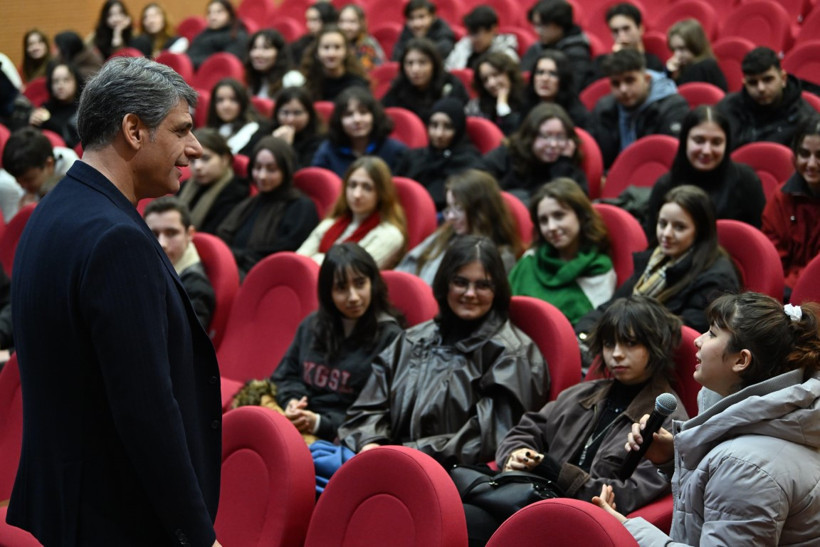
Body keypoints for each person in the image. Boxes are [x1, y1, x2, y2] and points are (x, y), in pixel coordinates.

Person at [7, 56, 222, 546]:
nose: (193, 147)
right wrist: (198, 535)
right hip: (117, 519)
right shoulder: (116, 239)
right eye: (181, 129)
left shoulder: (51, 211)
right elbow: (145, 409)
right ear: (134, 130)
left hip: (69, 506)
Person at [595, 292, 820, 546]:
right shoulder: (760, 433)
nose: (697, 340)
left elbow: (737, 477)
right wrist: (671, 459)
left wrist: (627, 531)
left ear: (741, 360)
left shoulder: (745, 468)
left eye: (712, 334)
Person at [464, 295, 688, 545]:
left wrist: (555, 471)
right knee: (460, 516)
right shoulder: (581, 393)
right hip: (529, 500)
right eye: (609, 344)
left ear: (656, 346)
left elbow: (627, 495)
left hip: (582, 524)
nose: (616, 354)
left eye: (631, 343)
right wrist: (516, 455)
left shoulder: (665, 421)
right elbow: (525, 430)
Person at [339, 235, 548, 465]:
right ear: (445, 283)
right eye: (460, 282)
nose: (470, 293)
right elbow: (367, 408)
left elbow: (487, 438)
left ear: (496, 290)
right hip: (384, 460)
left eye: (482, 285)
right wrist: (370, 443)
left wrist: (402, 454)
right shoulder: (412, 339)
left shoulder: (511, 356)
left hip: (448, 473)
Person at [270, 242, 404, 441]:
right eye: (341, 288)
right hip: (298, 423)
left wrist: (319, 423)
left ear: (372, 283)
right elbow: (285, 376)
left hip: (343, 439)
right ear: (328, 292)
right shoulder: (312, 325)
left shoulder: (390, 338)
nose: (353, 297)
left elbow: (381, 414)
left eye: (360, 284)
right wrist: (293, 402)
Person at [575, 185, 740, 337]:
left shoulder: (716, 280)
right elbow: (612, 306)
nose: (666, 233)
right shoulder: (657, 259)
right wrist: (583, 333)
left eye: (679, 227)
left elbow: (683, 336)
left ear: (700, 233)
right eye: (662, 224)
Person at [509, 178, 615, 325]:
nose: (551, 227)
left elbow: (593, 326)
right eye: (543, 220)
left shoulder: (598, 270)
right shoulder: (531, 259)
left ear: (580, 216)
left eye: (559, 215)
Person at [646, 106, 765, 236]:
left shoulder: (746, 181)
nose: (707, 150)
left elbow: (759, 240)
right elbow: (653, 240)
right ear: (685, 141)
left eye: (716, 142)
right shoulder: (665, 185)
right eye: (699, 141)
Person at [396, 169, 521, 283]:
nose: (450, 217)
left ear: (481, 212)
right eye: (449, 208)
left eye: (459, 209)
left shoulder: (500, 256)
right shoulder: (446, 233)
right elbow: (407, 266)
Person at [217, 136, 318, 276]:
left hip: (268, 275)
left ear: (286, 171)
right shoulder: (250, 203)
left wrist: (237, 256)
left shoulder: (301, 207)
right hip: (231, 268)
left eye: (271, 169)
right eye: (257, 167)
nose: (262, 176)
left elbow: (284, 254)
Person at [298, 155, 407, 268]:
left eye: (367, 187)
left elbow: (351, 272)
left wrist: (316, 258)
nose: (356, 194)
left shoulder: (389, 235)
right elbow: (299, 261)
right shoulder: (330, 223)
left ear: (381, 193)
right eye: (352, 185)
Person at [591, 48, 689, 168]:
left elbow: (672, 157)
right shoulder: (604, 109)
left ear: (646, 79)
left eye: (630, 80)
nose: (623, 90)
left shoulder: (673, 106)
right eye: (616, 83)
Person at [481, 103, 589, 202]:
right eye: (545, 136)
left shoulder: (569, 167)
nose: (553, 144)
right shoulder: (510, 153)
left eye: (560, 137)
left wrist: (563, 165)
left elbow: (574, 203)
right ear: (530, 137)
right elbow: (479, 180)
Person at [716, 46, 815, 150]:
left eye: (768, 80)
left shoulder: (804, 118)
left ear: (783, 79)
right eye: (753, 83)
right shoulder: (726, 108)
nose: (761, 89)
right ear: (745, 83)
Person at [762, 115, 820, 290]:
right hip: (783, 290)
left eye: (819, 155)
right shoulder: (781, 197)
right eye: (804, 154)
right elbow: (772, 255)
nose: (811, 164)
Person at [393, 97, 481, 210]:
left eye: (448, 127)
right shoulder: (414, 156)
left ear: (459, 130)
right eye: (434, 125)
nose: (439, 134)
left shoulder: (469, 163)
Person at [144, 196, 215, 329]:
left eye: (171, 233)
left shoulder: (196, 289)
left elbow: (183, 339)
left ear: (190, 234)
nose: (162, 243)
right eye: (153, 234)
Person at [312, 86, 407, 177]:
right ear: (339, 121)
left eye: (363, 112)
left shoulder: (395, 151)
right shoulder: (327, 152)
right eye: (348, 114)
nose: (357, 120)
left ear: (374, 116)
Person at [381, 37, 470, 123]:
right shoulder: (399, 87)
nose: (415, 69)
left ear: (434, 64)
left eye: (422, 62)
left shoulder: (451, 85)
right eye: (409, 63)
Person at [177, 128, 248, 234]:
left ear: (225, 159)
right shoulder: (185, 185)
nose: (197, 166)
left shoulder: (237, 192)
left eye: (205, 158)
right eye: (192, 160)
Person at [521, 0, 594, 92]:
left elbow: (573, 89)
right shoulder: (537, 47)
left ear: (560, 24)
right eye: (535, 25)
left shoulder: (577, 52)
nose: (537, 31)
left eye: (543, 25)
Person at [1, 126, 79, 211]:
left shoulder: (71, 169)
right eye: (18, 181)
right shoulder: (27, 175)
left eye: (28, 180)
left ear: (49, 164)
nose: (23, 187)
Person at [523, 50, 591, 129]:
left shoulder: (578, 116)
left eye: (553, 74)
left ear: (563, 80)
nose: (545, 78)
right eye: (540, 72)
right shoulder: (523, 107)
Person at [300, 25, 369, 102]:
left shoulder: (357, 85)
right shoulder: (308, 83)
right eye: (326, 47)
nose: (331, 54)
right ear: (316, 52)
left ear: (346, 52)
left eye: (337, 47)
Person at [465, 51, 527, 135]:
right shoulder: (476, 107)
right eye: (485, 79)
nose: (491, 83)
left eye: (496, 75)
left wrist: (502, 106)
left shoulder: (527, 99)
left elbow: (519, 134)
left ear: (509, 73)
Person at [204, 78, 268, 156]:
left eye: (233, 99)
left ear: (243, 102)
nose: (226, 106)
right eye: (220, 100)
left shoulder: (256, 131)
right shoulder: (209, 131)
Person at [445, 5, 519, 71]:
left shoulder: (506, 54)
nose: (472, 39)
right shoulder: (463, 47)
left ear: (493, 30)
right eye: (470, 33)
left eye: (476, 33)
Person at [28, 61, 83, 149]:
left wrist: (48, 122)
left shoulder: (83, 108)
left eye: (66, 80)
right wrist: (33, 122)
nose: (60, 86)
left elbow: (71, 138)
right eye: (55, 81)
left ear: (76, 81)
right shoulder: (46, 107)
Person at [597, 2, 663, 73]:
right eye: (615, 31)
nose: (621, 35)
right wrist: (616, 58)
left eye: (626, 29)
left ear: (640, 29)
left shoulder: (652, 62)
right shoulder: (601, 62)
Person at [271, 86, 325, 169]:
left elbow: (302, 173)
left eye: (297, 113)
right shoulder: (268, 131)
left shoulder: (318, 142)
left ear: (309, 114)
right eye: (285, 112)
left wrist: (286, 147)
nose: (290, 119)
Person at [665, 19, 727, 91]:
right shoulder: (682, 67)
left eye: (682, 49)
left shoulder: (704, 67)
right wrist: (669, 72)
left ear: (695, 45)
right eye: (673, 49)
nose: (677, 55)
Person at [187, 0, 249, 69]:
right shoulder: (204, 33)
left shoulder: (237, 35)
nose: (212, 17)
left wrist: (189, 62)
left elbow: (226, 63)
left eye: (219, 12)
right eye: (209, 13)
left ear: (230, 14)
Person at [244, 29, 301, 100]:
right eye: (254, 48)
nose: (257, 54)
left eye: (266, 48)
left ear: (279, 53)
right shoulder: (256, 79)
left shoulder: (292, 79)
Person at [392, 0, 456, 62]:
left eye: (421, 17)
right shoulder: (407, 30)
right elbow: (397, 56)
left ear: (433, 17)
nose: (416, 23)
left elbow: (444, 50)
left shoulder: (442, 30)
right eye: (411, 18)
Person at [287, 1, 338, 68]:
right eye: (308, 20)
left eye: (314, 20)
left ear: (326, 20)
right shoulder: (303, 44)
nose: (308, 25)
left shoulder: (338, 41)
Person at [338, 4, 385, 72]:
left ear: (361, 23)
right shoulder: (338, 41)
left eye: (352, 22)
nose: (346, 27)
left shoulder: (367, 45)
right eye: (342, 21)